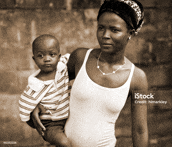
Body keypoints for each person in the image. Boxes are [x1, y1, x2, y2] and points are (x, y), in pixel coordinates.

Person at [32, 0, 148, 146]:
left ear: (130, 33)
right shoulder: (80, 58)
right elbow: (50, 82)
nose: (105, 35)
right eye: (101, 28)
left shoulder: (138, 78)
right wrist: (37, 102)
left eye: (114, 30)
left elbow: (140, 130)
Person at [19, 34, 71, 147]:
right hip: (51, 124)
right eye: (40, 56)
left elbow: (72, 57)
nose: (47, 59)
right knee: (64, 143)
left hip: (70, 117)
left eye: (52, 55)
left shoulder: (62, 68)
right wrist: (36, 124)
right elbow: (24, 109)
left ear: (59, 56)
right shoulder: (35, 84)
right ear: (34, 59)